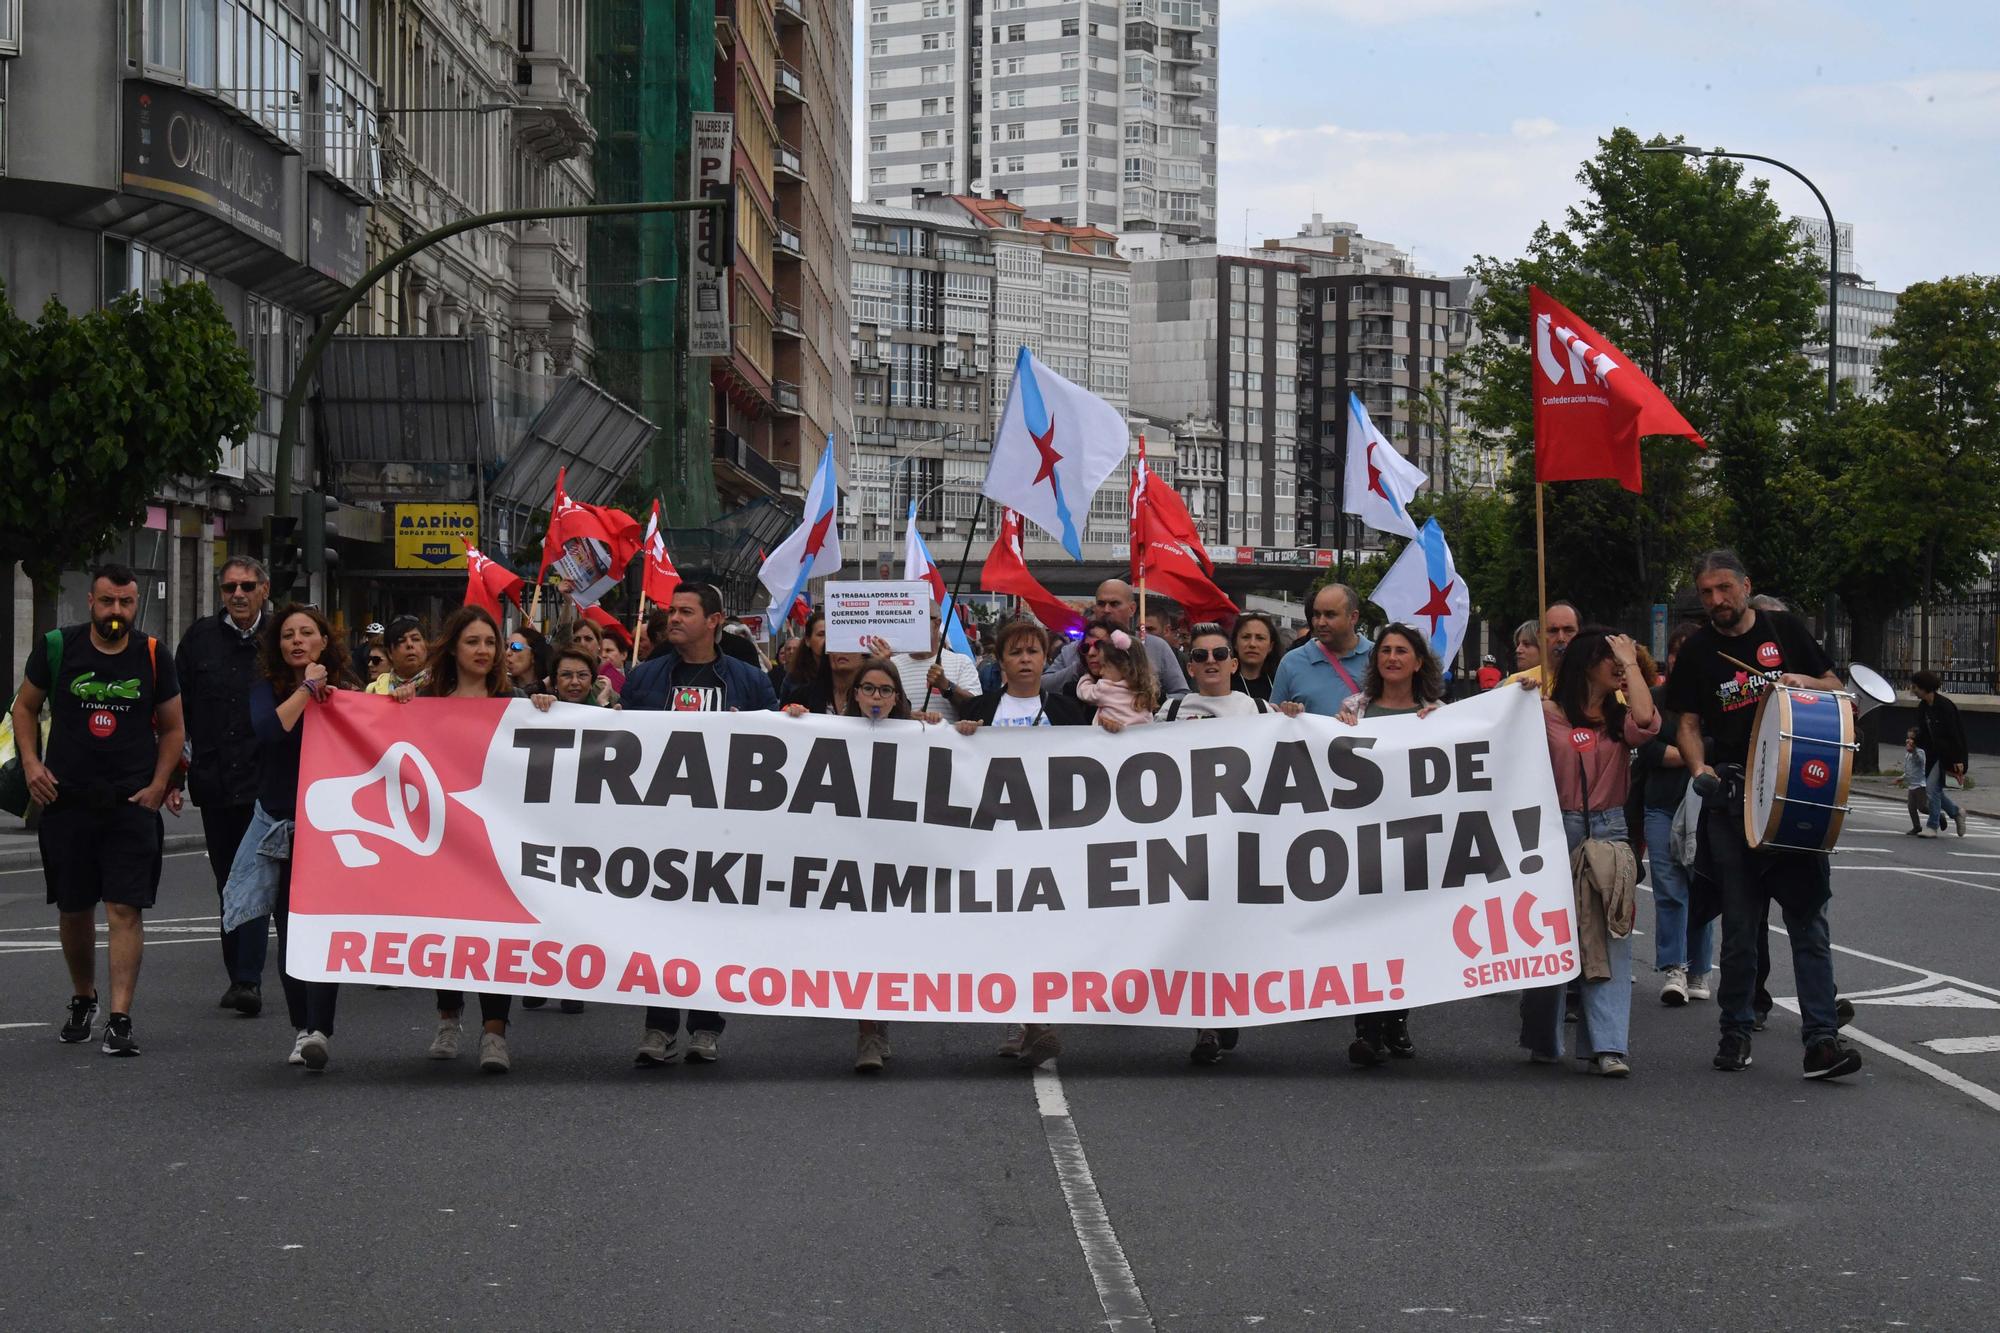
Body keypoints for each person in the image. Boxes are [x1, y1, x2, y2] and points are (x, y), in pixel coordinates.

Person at [1664, 549, 1861, 1080]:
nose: (1716, 601)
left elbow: (1836, 689)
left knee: (1808, 920)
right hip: (1732, 797)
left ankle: (1821, 1041)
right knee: (1741, 926)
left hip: (1794, 791)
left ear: (1745, 585)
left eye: (1724, 589)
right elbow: (1685, 720)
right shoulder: (1701, 651)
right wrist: (1698, 768)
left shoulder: (1785, 629)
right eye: (1706, 593)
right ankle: (1735, 1031)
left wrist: (1801, 683)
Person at [14, 563, 183, 1056]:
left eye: (126, 602)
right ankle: (83, 997)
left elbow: (173, 728)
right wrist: (31, 764)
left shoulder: (153, 655)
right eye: (107, 601)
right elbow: (25, 707)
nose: (116, 612)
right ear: (90, 601)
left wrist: (158, 785)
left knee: (124, 908)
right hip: (67, 801)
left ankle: (120, 1016)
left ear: (136, 604)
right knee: (73, 908)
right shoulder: (57, 647)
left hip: (131, 804)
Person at [396, 606, 556, 1073]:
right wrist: (401, 703)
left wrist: (544, 711)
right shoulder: (425, 700)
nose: (484, 650)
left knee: (494, 933)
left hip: (497, 837)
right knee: (448, 929)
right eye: (473, 642)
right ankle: (448, 1019)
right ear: (454, 648)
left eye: (491, 642)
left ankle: (494, 1033)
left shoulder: (517, 701)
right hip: (444, 836)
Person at [624, 583, 778, 1067]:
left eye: (686, 612)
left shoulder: (749, 681)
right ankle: (659, 1026)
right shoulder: (644, 679)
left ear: (714, 620)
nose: (673, 619)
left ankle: (707, 1026)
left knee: (713, 927)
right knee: (660, 927)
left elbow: (780, 747)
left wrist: (788, 719)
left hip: (724, 829)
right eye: (672, 611)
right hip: (660, 827)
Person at [1161, 624, 1303, 1063]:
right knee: (1194, 932)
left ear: (1234, 663)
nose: (1210, 662)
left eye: (1219, 654)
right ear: (1189, 667)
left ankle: (1225, 1008)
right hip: (1184, 840)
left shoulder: (1258, 709)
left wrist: (1296, 719)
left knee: (1230, 930)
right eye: (1200, 656)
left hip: (1240, 842)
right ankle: (1204, 1023)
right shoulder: (1169, 709)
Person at [1522, 628, 1658, 1077]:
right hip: (1553, 828)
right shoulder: (1544, 713)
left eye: (1623, 659)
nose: (1618, 666)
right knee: (1548, 933)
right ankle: (1543, 1036)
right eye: (1610, 659)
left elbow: (1648, 719)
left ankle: (1609, 1046)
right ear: (1585, 664)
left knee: (1611, 934)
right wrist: (1520, 694)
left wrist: (1631, 666)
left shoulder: (1622, 718)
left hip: (1609, 827)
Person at [957, 619, 1092, 1068]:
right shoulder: (980, 707)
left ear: (1045, 657)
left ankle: (1032, 1020)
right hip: (995, 842)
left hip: (1054, 840)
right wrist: (955, 732)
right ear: (1001, 661)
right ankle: (1026, 1023)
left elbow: (1100, 761)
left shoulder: (1068, 709)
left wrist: (1112, 728)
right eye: (1015, 653)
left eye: (1033, 652)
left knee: (1044, 932)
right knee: (1004, 931)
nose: (1025, 660)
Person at [238, 604, 356, 1070]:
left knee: (324, 928)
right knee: (290, 931)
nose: (297, 641)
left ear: (324, 642)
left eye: (308, 633)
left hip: (331, 829)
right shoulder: (265, 691)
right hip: (283, 828)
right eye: (288, 635)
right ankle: (301, 1027)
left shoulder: (347, 695)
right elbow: (270, 730)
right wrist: (308, 688)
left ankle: (321, 1030)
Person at [1331, 624, 1445, 1067]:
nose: (1392, 658)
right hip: (1361, 843)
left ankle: (1396, 1020)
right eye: (1385, 651)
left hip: (1415, 843)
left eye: (1402, 651)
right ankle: (1368, 1030)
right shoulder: (1354, 709)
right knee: (1366, 937)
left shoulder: (1437, 715)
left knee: (1405, 937)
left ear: (1419, 663)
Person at [174, 555, 272, 1016]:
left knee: (252, 876)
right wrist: (173, 774)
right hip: (214, 783)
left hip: (265, 783)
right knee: (227, 881)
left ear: (264, 590)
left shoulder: (282, 637)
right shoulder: (199, 640)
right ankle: (239, 974)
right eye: (230, 586)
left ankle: (248, 980)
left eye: (247, 586)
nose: (238, 594)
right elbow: (177, 715)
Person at [1633, 622, 1713, 1007]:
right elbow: (1647, 750)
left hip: (1703, 808)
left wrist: (1678, 750)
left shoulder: (1713, 698)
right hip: (1661, 804)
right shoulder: (1653, 697)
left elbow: (1718, 745)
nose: (1681, 658)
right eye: (1676, 651)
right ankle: (1674, 968)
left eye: (1689, 650)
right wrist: (1694, 753)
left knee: (1700, 888)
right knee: (1669, 888)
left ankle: (1699, 969)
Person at [1041, 579, 1188, 699]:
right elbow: (1043, 686)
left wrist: (1151, 701)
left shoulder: (1156, 646)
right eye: (1101, 604)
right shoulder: (1074, 650)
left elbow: (1181, 694)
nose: (1106, 610)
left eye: (1114, 604)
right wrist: (1081, 666)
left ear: (1132, 609)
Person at [1271, 583, 1373, 717]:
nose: (1321, 622)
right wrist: (1289, 712)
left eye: (1330, 615)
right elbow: (1273, 720)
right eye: (1317, 615)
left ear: (1353, 617)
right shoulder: (1291, 662)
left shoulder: (1378, 657)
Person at [892, 601, 983, 722]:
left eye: (917, 618)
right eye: (907, 619)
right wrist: (906, 716)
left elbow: (977, 709)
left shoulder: (961, 662)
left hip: (946, 741)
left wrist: (946, 686)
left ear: (936, 623)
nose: (910, 625)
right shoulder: (892, 664)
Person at [1912, 670, 1968, 838]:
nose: (1912, 690)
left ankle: (1932, 825)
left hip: (1947, 754)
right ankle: (1956, 812)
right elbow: (1923, 731)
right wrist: (1914, 741)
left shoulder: (1945, 706)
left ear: (1924, 688)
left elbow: (1956, 734)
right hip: (1932, 754)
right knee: (1934, 789)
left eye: (1915, 687)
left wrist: (1959, 759)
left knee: (1931, 788)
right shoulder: (1923, 707)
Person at [1076, 629, 1159, 732]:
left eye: (1104, 666)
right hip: (1141, 741)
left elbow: (1083, 692)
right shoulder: (1147, 690)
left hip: (1111, 741)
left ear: (1123, 668)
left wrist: (1087, 677)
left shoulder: (1105, 687)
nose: (1101, 672)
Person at [1501, 603, 1579, 693]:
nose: (1561, 638)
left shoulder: (1594, 680)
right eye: (1553, 631)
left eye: (1568, 630)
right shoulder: (1515, 684)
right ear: (1539, 637)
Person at [366, 615, 428, 694]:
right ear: (390, 653)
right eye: (401, 641)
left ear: (426, 646)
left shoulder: (442, 686)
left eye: (415, 639)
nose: (409, 644)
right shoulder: (373, 690)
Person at [1230, 612, 1283, 703]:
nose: (1252, 644)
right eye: (1246, 637)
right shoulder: (1223, 685)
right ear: (1235, 644)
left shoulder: (1281, 682)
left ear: (1270, 646)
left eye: (1260, 638)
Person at [1895, 729, 1931, 835]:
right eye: (1908, 738)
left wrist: (1914, 750)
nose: (1908, 741)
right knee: (1911, 807)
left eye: (1912, 739)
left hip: (1921, 785)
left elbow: (1920, 761)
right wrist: (1902, 777)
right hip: (1912, 785)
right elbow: (1908, 769)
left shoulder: (1920, 752)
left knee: (1922, 807)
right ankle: (1917, 826)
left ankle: (1938, 816)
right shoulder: (1908, 753)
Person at [504, 626, 552, 694]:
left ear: (533, 655)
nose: (507, 653)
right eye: (506, 647)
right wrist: (541, 685)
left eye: (516, 646)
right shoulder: (501, 687)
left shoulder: (554, 691)